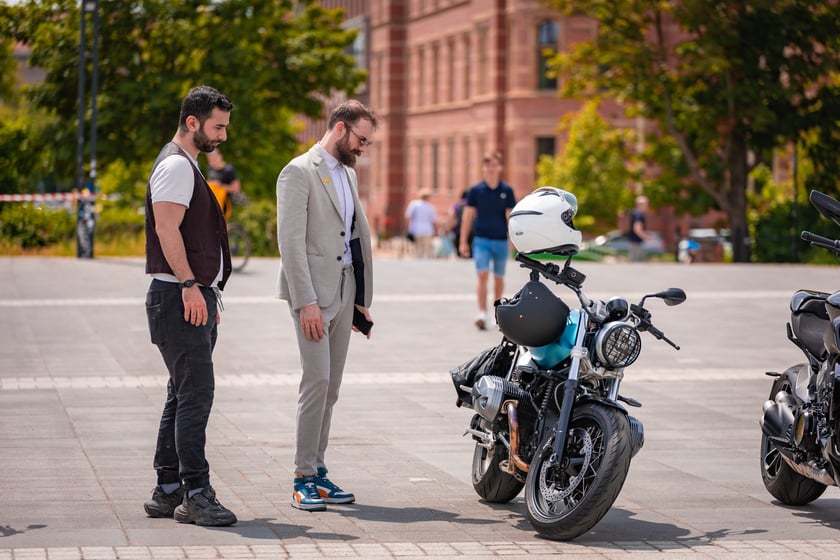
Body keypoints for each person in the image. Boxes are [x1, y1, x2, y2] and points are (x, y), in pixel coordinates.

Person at [142, 85, 237, 527]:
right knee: (196, 395)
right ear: (193, 122)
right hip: (177, 297)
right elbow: (166, 228)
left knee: (181, 393)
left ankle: (168, 490)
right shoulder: (177, 167)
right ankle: (196, 493)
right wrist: (189, 285)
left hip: (188, 297)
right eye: (217, 126)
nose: (222, 135)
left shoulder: (188, 165)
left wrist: (206, 288)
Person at [276, 100, 376, 512]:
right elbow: (290, 245)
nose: (363, 148)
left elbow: (354, 237)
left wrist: (362, 302)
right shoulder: (298, 172)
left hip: (345, 290)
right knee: (315, 381)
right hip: (313, 297)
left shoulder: (348, 174)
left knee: (331, 387)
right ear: (340, 128)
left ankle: (318, 470)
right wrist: (306, 303)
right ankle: (301, 476)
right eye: (361, 139)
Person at [459, 151, 517, 331]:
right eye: (488, 165)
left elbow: (510, 216)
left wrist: (512, 238)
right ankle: (481, 313)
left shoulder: (506, 191)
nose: (491, 169)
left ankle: (495, 312)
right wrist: (462, 242)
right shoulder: (476, 191)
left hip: (500, 240)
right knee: (483, 275)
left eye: (494, 165)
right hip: (481, 240)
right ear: (483, 168)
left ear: (499, 167)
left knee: (499, 278)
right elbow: (467, 216)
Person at [206, 149, 241, 220]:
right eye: (210, 160)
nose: (212, 161)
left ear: (220, 156)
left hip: (225, 203)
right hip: (212, 202)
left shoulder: (228, 170)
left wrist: (220, 186)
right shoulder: (210, 169)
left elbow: (237, 189)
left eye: (214, 158)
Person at [405, 189, 437, 258]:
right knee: (427, 248)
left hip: (416, 228)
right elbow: (433, 221)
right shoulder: (430, 206)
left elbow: (408, 216)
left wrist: (409, 228)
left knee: (417, 248)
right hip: (428, 229)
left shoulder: (414, 204)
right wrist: (435, 231)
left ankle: (418, 261)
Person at [627, 195, 651, 262]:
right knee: (636, 265)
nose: (647, 206)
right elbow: (637, 229)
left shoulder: (635, 213)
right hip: (636, 244)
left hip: (634, 243)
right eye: (646, 204)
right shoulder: (638, 215)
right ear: (641, 205)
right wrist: (647, 238)